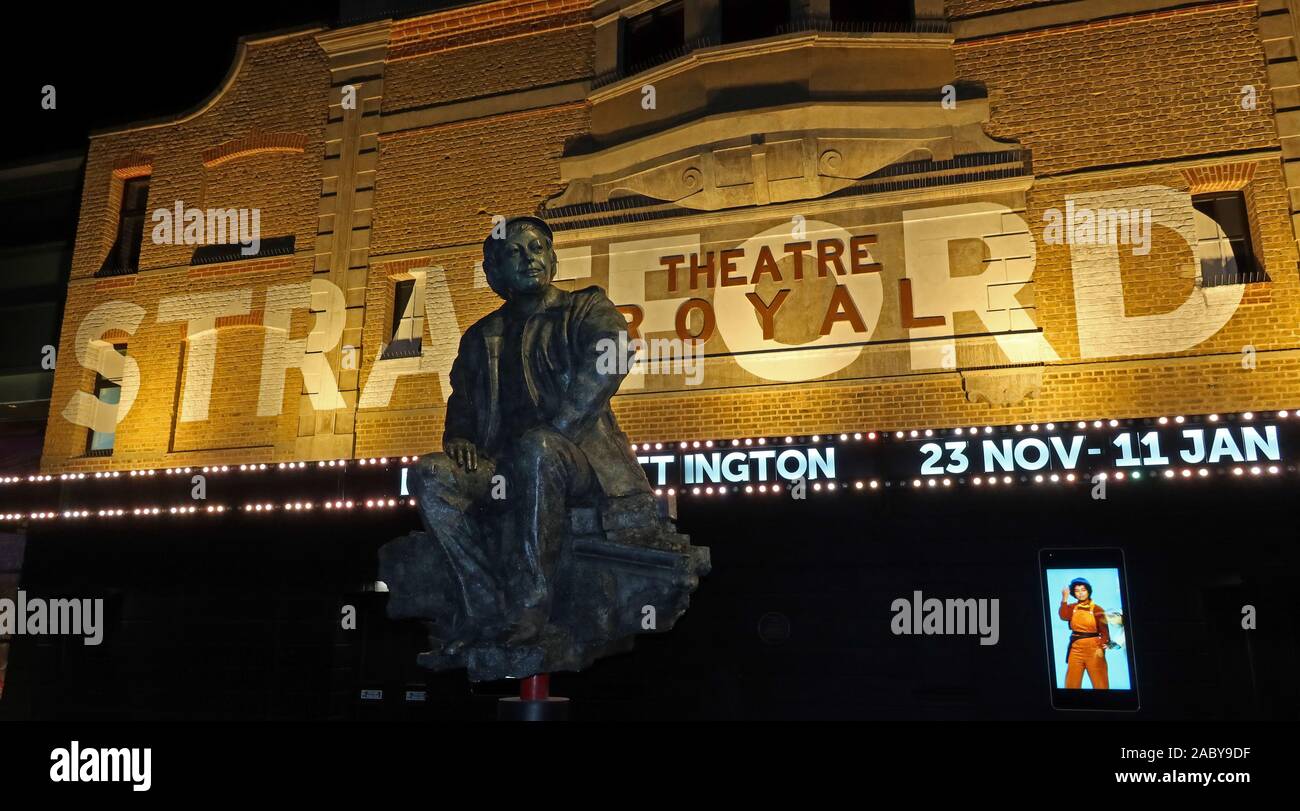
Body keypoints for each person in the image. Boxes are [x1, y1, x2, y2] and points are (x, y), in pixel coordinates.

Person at [409, 216, 649, 649]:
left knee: (537, 449)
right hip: (501, 466)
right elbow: (462, 398)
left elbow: (610, 356)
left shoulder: (586, 307)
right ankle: (482, 606)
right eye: (514, 253)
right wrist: (459, 438)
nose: (529, 259)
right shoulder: (481, 336)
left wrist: (557, 431)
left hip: (575, 462)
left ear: (553, 258)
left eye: (537, 248)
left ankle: (531, 604)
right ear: (494, 271)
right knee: (430, 474)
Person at [1059, 577, 1110, 689]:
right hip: (1076, 650)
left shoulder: (1097, 609)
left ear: (1088, 591)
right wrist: (1064, 598)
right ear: (1073, 593)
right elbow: (1063, 616)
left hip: (1094, 650)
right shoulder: (1072, 607)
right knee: (1071, 685)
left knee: (1101, 685)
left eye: (1083, 590)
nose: (1080, 593)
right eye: (1077, 591)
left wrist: (1103, 643)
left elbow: (1105, 631)